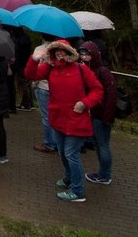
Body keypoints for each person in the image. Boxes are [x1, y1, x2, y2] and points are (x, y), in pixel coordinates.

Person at [25, 40, 104, 203]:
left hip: (76, 120)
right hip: (58, 119)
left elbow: (98, 90)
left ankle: (78, 190)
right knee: (62, 152)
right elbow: (31, 75)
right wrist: (34, 59)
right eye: (56, 51)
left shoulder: (80, 69)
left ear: (69, 52)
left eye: (62, 51)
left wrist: (84, 103)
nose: (59, 54)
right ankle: (69, 177)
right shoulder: (50, 67)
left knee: (70, 154)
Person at [79, 41, 117, 186]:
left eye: (87, 54)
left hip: (101, 114)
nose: (84, 56)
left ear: (94, 55)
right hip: (92, 112)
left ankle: (105, 174)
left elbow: (111, 94)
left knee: (103, 144)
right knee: (97, 143)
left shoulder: (103, 71)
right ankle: (102, 172)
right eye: (82, 53)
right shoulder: (84, 69)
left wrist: (107, 116)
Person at [31, 33, 60, 153]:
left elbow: (36, 68)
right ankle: (59, 142)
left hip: (43, 85)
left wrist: (34, 84)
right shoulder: (59, 50)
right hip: (56, 87)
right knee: (57, 115)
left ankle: (49, 143)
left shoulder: (40, 49)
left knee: (46, 116)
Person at [11, 26, 34, 111]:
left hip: (20, 65)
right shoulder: (26, 38)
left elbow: (18, 54)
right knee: (27, 84)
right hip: (26, 63)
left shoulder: (18, 40)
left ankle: (26, 103)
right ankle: (28, 103)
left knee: (22, 84)